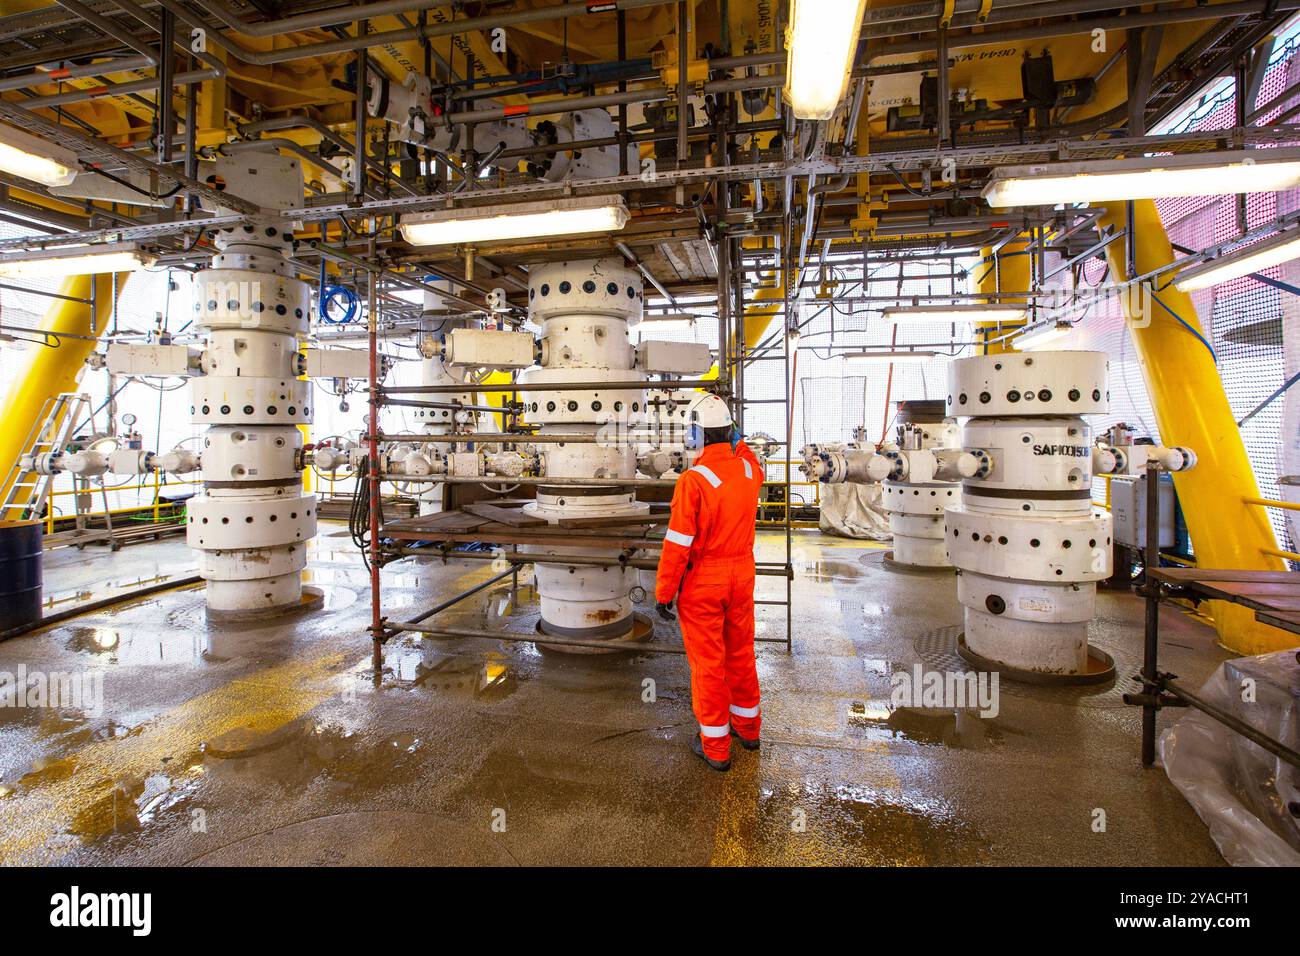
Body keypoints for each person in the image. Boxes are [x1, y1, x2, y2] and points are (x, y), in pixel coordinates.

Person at [655, 393, 764, 772]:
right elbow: (746, 454)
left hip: (704, 582)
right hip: (742, 575)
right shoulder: (751, 471)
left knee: (708, 665)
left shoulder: (693, 481)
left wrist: (664, 592)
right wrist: (738, 438)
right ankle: (748, 729)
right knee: (740, 653)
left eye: (691, 429)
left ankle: (715, 747)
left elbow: (678, 545)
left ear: (697, 434)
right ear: (731, 432)